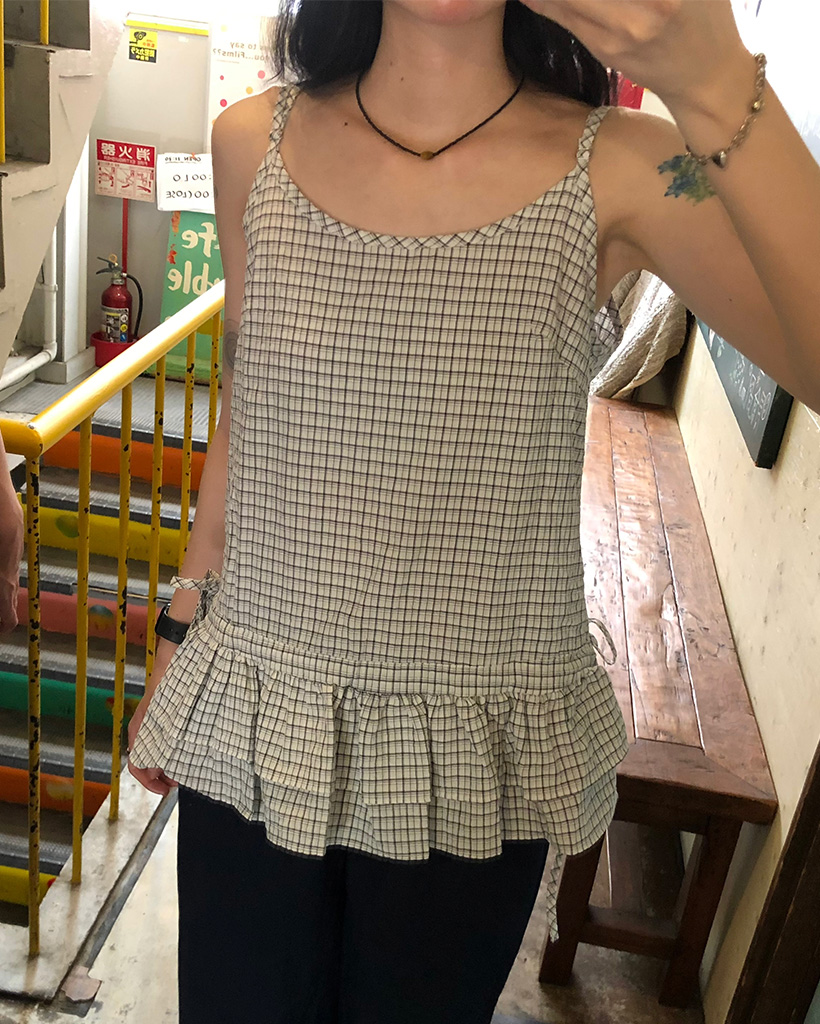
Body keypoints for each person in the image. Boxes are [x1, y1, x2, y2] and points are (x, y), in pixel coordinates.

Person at [128, 2, 820, 1022]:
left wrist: (711, 77)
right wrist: (182, 622)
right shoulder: (252, 143)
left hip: (475, 754)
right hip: (259, 714)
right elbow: (251, 395)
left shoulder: (623, 166)